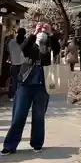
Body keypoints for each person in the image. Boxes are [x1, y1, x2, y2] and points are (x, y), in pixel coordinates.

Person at [1, 24, 52, 155]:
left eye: (43, 35)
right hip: (25, 83)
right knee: (18, 115)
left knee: (39, 116)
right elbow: (22, 49)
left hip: (43, 85)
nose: (41, 38)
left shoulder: (50, 46)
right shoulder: (30, 45)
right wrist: (33, 33)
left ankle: (37, 143)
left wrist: (50, 34)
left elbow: (58, 47)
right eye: (39, 36)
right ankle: (10, 145)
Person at [7, 28, 26, 100]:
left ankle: (12, 96)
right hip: (23, 63)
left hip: (13, 63)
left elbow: (8, 50)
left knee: (14, 80)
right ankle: (20, 95)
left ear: (17, 33)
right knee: (22, 80)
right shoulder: (25, 42)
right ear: (24, 33)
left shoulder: (11, 42)